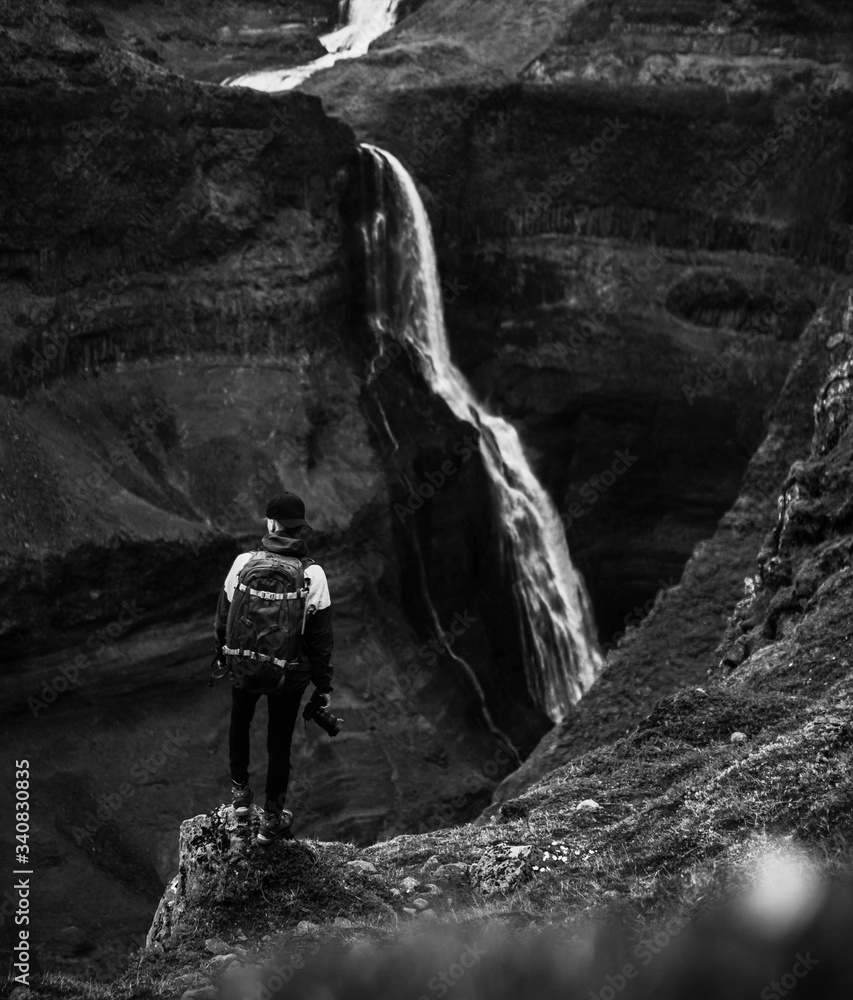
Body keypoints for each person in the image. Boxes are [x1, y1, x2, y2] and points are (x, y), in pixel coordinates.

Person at [213, 491, 333, 845]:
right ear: (301, 529)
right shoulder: (313, 574)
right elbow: (321, 641)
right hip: (290, 673)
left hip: (244, 663)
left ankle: (239, 798)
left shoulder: (242, 562)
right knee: (279, 743)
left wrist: (224, 654)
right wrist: (323, 687)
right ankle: (272, 820)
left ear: (270, 524)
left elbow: (223, 617)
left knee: (240, 720)